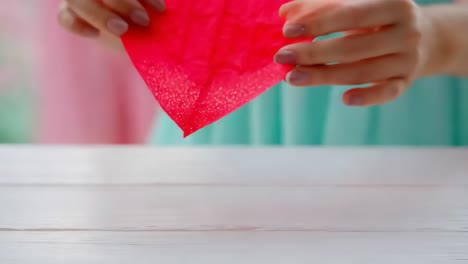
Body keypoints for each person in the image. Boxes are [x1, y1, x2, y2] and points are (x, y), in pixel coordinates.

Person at [59, 0, 468, 146]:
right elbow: (175, 23)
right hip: (214, 151)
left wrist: (440, 37)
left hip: (412, 132)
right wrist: (111, 14)